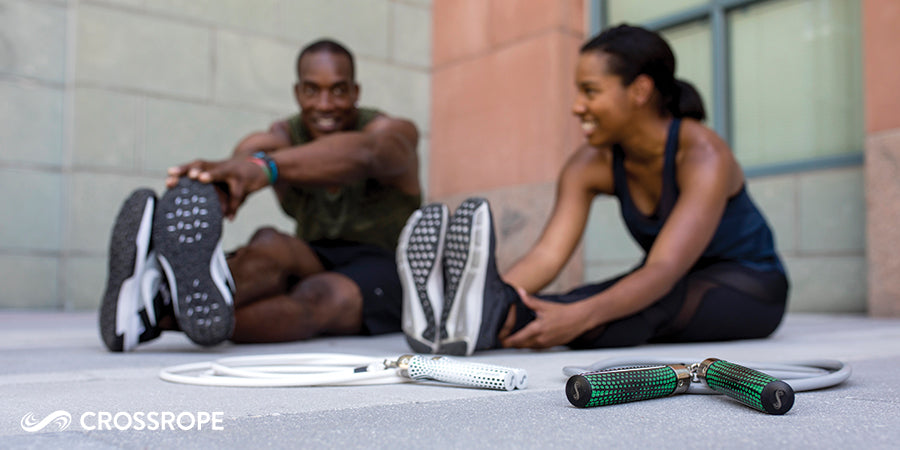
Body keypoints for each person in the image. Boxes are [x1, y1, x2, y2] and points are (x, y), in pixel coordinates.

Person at [398, 24, 788, 356]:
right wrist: (504, 290)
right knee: (584, 298)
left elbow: (664, 270)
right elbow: (549, 255)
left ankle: (481, 319)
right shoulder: (590, 164)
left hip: (749, 286)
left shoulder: (703, 154)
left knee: (620, 308)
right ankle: (481, 312)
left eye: (590, 91)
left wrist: (579, 317)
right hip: (663, 277)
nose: (577, 107)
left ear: (639, 91)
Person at [99, 38, 421, 352]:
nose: (325, 105)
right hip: (315, 253)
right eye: (312, 90)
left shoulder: (391, 133)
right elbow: (245, 160)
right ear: (298, 93)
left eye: (338, 91)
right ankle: (158, 295)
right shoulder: (281, 137)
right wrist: (215, 186)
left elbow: (366, 154)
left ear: (355, 92)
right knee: (269, 244)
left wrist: (266, 169)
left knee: (318, 294)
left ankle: (156, 314)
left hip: (387, 267)